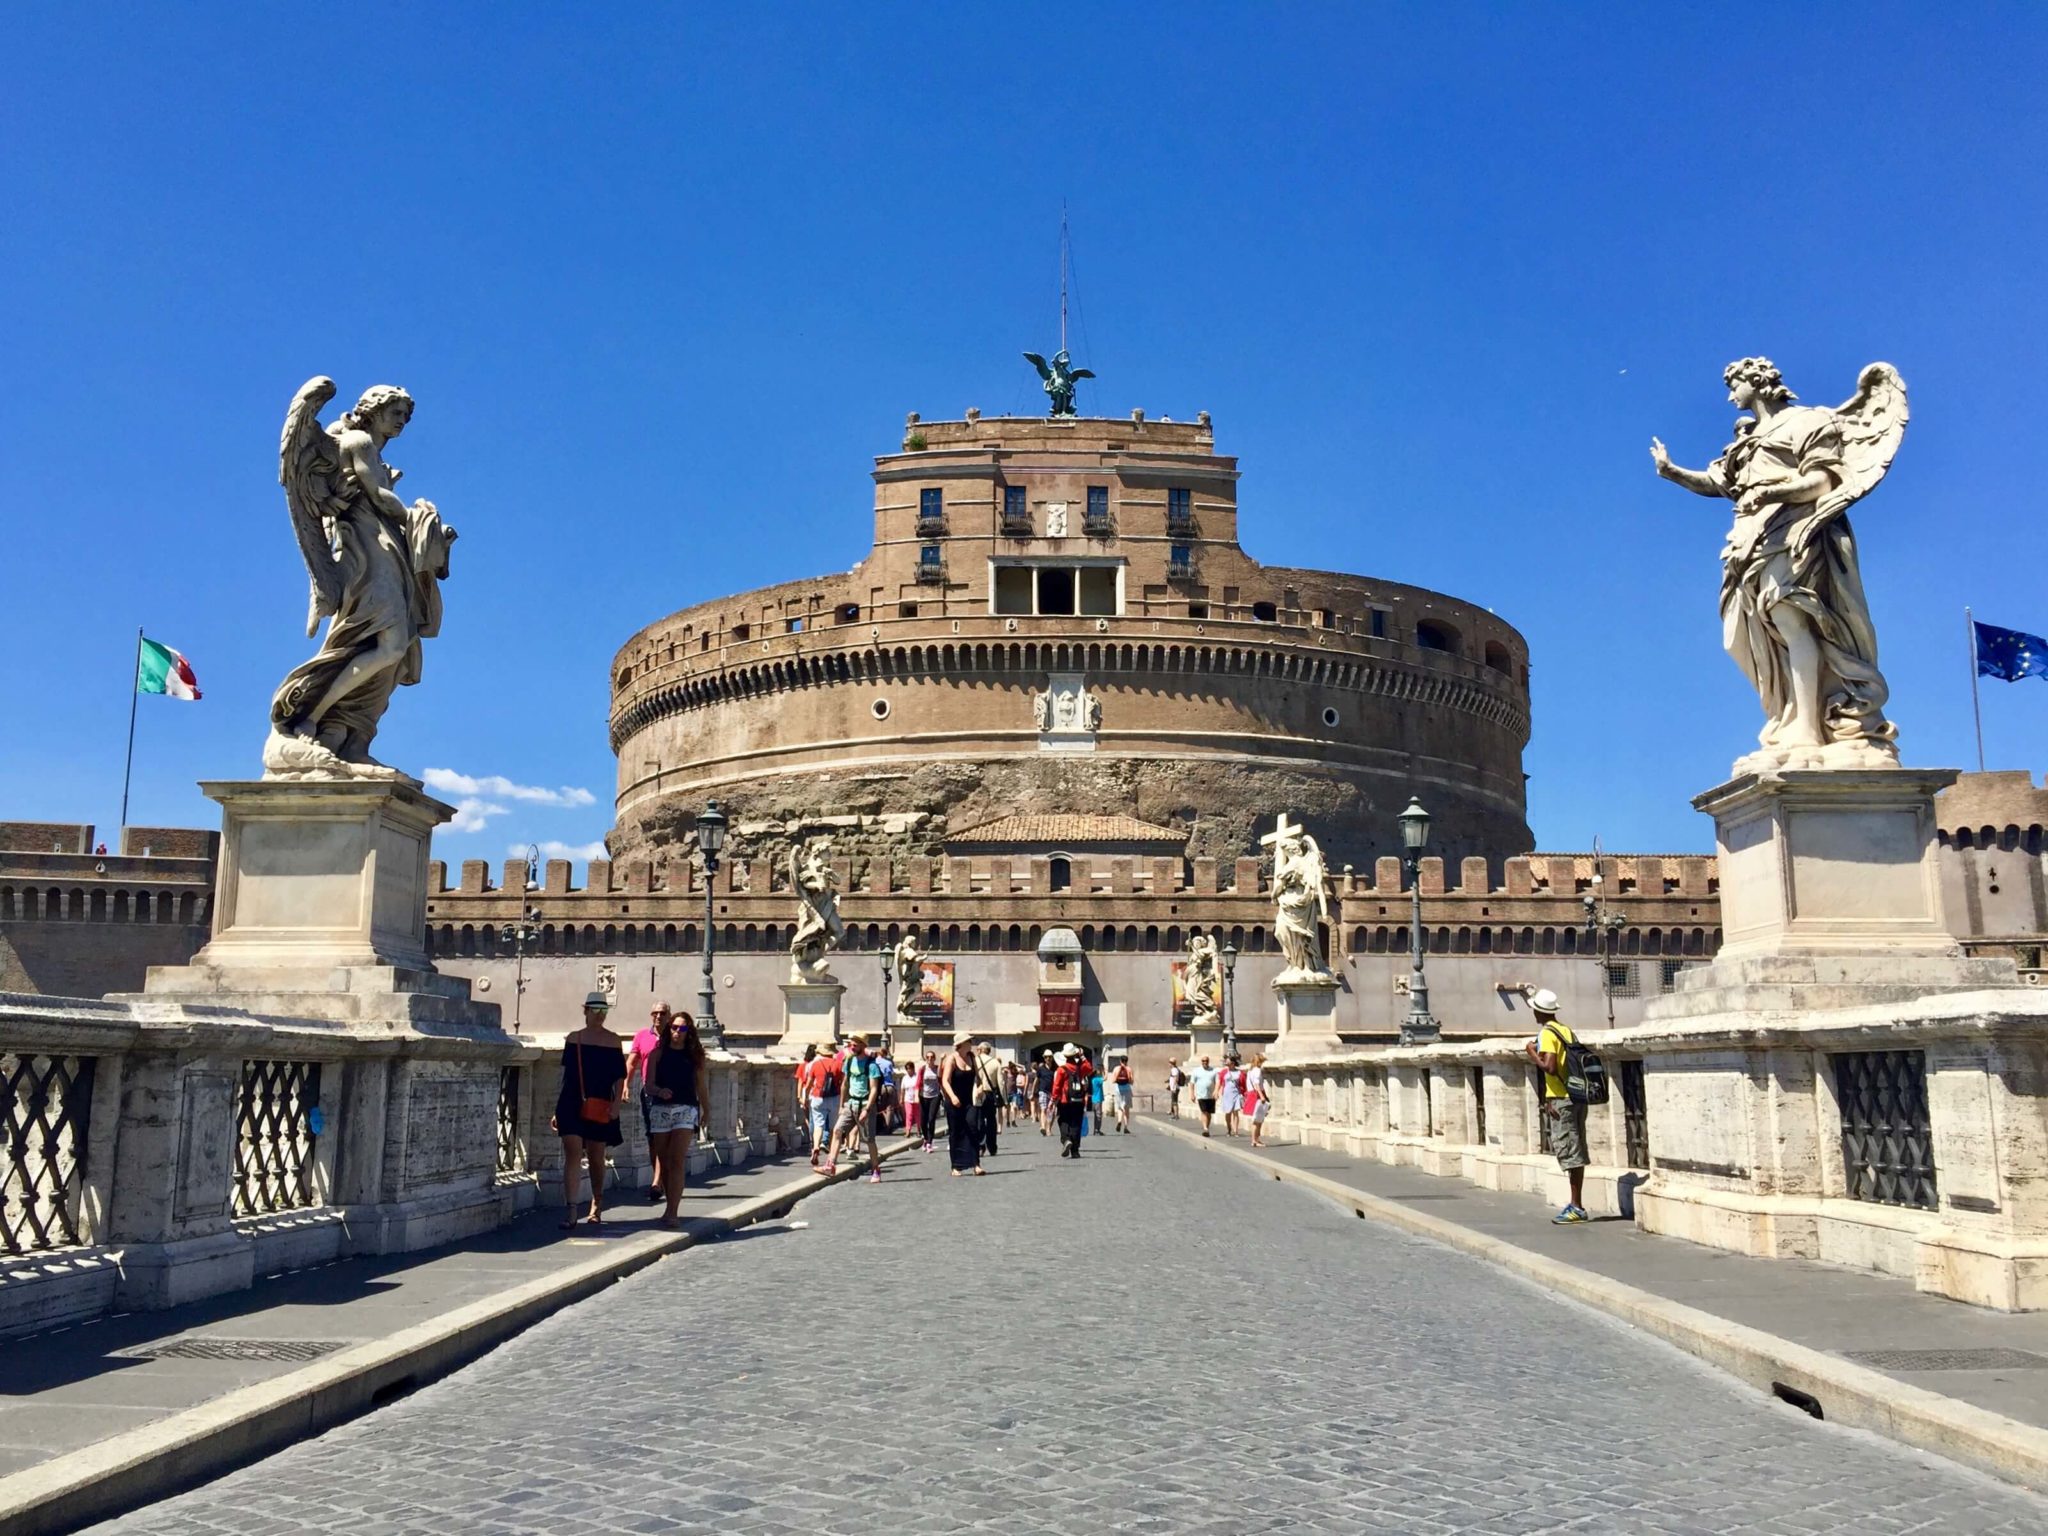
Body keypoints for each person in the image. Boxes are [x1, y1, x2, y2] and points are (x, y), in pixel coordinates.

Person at [552, 991, 627, 1230]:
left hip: (601, 1102)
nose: (600, 1015)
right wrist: (557, 1109)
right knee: (573, 1151)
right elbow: (567, 1077)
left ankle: (597, 1201)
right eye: (595, 1010)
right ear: (585, 1011)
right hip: (572, 1101)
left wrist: (616, 1104)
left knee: (596, 1155)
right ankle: (572, 1209)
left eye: (603, 1011)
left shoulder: (614, 1040)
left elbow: (619, 1077)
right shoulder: (574, 1039)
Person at [1520, 987, 1590, 1223]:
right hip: (1575, 1096)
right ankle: (1575, 1204)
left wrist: (1531, 1052)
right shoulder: (1565, 1031)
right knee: (1576, 1148)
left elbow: (1550, 1067)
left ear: (1538, 1012)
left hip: (1564, 1100)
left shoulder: (1547, 1034)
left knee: (1569, 1152)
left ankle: (1576, 1206)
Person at [644, 1009, 707, 1229]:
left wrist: (705, 1110)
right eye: (674, 1027)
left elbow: (701, 1086)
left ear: (689, 1032)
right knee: (665, 1161)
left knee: (677, 1160)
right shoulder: (657, 1054)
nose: (677, 1032)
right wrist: (659, 1091)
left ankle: (673, 1211)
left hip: (685, 1109)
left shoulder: (694, 1056)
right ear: (668, 1029)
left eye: (682, 1028)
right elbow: (648, 1084)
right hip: (661, 1109)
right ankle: (668, 1205)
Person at [625, 1000, 670, 1200]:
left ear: (669, 1015)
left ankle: (657, 1181)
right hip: (649, 1093)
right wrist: (625, 1085)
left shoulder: (675, 1036)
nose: (658, 1017)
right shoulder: (642, 1036)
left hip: (671, 1093)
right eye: (655, 1013)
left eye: (662, 1013)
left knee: (666, 1138)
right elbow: (632, 1062)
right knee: (653, 1139)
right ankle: (659, 1179)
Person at [825, 1034, 883, 1182]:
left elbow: (874, 1089)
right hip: (851, 1104)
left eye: (856, 1044)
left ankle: (875, 1169)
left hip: (865, 1105)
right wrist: (841, 1105)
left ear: (863, 1045)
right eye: (851, 1043)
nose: (852, 1046)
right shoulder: (849, 1062)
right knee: (838, 1130)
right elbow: (845, 1083)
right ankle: (830, 1164)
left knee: (869, 1140)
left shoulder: (872, 1065)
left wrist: (867, 1109)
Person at [941, 1037, 984, 1177]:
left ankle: (976, 1164)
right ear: (961, 1045)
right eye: (968, 1041)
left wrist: (980, 1088)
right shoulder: (951, 1059)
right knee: (956, 1132)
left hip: (968, 1101)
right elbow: (945, 1081)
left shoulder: (972, 1057)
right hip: (953, 1100)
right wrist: (952, 1096)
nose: (971, 1044)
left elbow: (979, 1078)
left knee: (973, 1128)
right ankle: (956, 1166)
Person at [801, 1040, 842, 1169]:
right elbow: (842, 1083)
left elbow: (808, 1084)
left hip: (817, 1097)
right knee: (832, 1128)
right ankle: (830, 1156)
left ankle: (816, 1147)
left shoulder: (815, 1064)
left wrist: (804, 1097)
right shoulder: (838, 1064)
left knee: (818, 1125)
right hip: (834, 1098)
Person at [1049, 1045, 1093, 1159]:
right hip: (1078, 1100)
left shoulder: (1061, 1070)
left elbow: (1056, 1087)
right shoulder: (1080, 1068)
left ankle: (1066, 1139)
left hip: (1065, 1101)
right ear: (1075, 1055)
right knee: (1076, 1124)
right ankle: (1075, 1151)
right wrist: (1082, 1056)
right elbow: (1089, 1068)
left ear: (1065, 1056)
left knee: (1063, 1121)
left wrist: (1053, 1100)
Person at [974, 1043, 1005, 1157]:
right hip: (990, 1094)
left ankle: (980, 1145)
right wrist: (1004, 1099)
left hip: (977, 1093)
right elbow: (1000, 1082)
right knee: (991, 1120)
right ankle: (992, 1146)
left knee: (979, 1120)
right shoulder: (995, 1062)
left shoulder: (974, 1061)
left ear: (980, 1050)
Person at [1186, 1054, 1220, 1137]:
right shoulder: (1196, 1071)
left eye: (1206, 1061)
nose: (1205, 1062)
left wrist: (1216, 1091)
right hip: (1201, 1095)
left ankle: (1207, 1127)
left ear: (1208, 1061)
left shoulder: (1214, 1071)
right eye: (1203, 1061)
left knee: (1209, 1113)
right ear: (1201, 1062)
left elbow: (1218, 1082)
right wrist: (1192, 1094)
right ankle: (1205, 1128)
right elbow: (1192, 1083)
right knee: (1204, 1111)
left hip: (1211, 1095)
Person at [918, 1049, 943, 1153]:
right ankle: (925, 1138)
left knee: (931, 1118)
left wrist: (942, 1060)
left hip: (935, 1096)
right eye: (927, 1057)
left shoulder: (937, 1068)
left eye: (932, 1057)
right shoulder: (922, 1069)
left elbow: (941, 1077)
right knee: (923, 1121)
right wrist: (916, 1095)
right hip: (923, 1096)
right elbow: (918, 1083)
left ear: (934, 1058)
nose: (929, 1059)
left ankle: (929, 1142)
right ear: (925, 1058)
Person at [1218, 1055, 1248, 1138]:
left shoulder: (1239, 1073)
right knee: (1228, 1112)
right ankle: (1228, 1128)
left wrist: (1245, 1094)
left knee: (1236, 1112)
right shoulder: (1224, 1072)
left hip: (1236, 1094)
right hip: (1227, 1095)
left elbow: (1243, 1084)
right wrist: (1217, 1091)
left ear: (1233, 1063)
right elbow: (1219, 1082)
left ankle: (1236, 1131)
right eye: (1226, 1062)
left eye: (1228, 1062)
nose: (1227, 1064)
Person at [1246, 1054, 1270, 1149]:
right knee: (1257, 1119)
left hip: (1252, 1094)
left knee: (1257, 1119)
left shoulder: (1250, 1071)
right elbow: (1257, 1085)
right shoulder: (1257, 1070)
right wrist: (1262, 1096)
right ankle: (1254, 1140)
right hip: (1257, 1094)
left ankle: (1256, 1139)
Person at [1033, 1051, 1056, 1135]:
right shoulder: (1041, 1069)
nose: (1048, 1058)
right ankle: (1043, 1127)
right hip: (1043, 1091)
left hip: (1053, 1092)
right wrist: (1033, 1091)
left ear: (1052, 1058)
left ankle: (1049, 1129)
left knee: (1052, 1111)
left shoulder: (1055, 1068)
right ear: (1044, 1058)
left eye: (1050, 1057)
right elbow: (1036, 1080)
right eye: (1046, 1057)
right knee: (1043, 1109)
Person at [1109, 1053, 1133, 1133]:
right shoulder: (1129, 1069)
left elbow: (1113, 1080)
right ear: (1127, 1061)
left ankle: (1119, 1121)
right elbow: (1131, 1081)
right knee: (1126, 1109)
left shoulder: (1116, 1069)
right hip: (1127, 1089)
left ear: (1120, 1061)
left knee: (1120, 1107)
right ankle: (1126, 1127)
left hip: (1118, 1089)